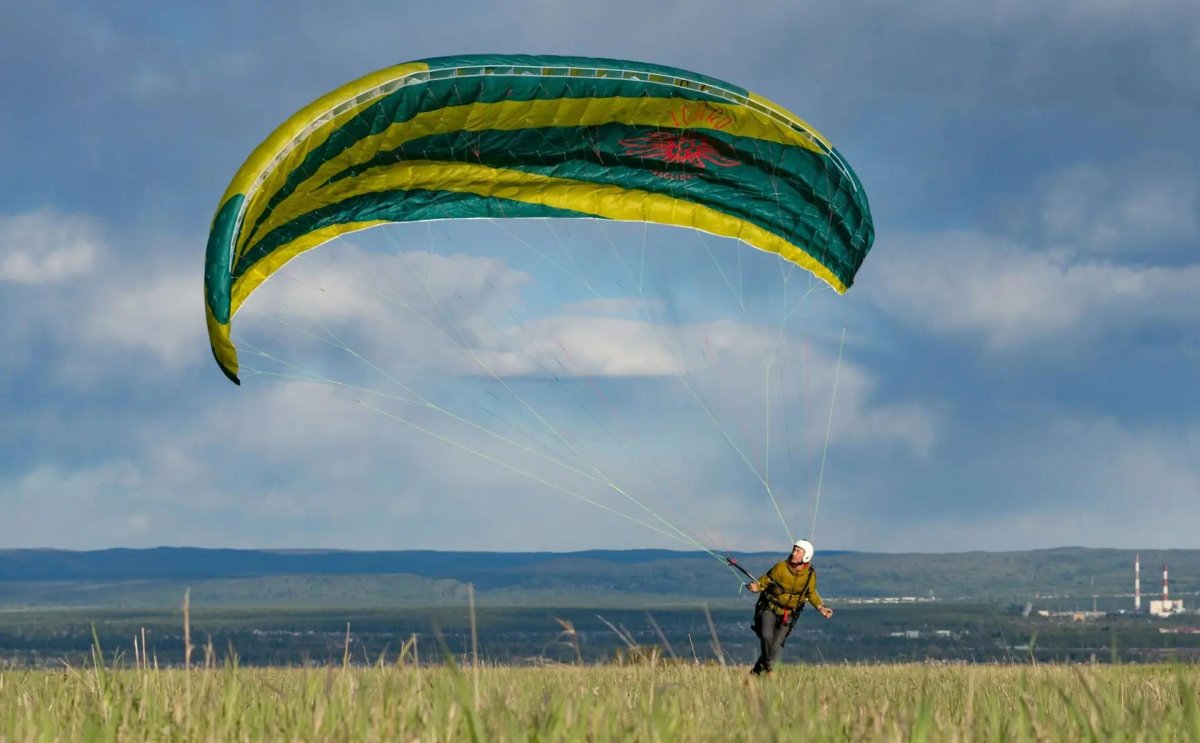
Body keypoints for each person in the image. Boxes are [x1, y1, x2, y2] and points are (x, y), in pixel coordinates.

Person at [747, 538, 833, 675]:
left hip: (789, 614)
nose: (794, 553)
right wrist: (755, 587)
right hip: (770, 607)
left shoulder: (810, 575)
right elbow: (764, 582)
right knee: (766, 636)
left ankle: (757, 671)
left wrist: (821, 608)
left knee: (776, 646)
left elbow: (811, 593)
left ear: (806, 556)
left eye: (798, 551)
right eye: (794, 550)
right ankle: (768, 668)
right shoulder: (780, 567)